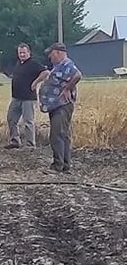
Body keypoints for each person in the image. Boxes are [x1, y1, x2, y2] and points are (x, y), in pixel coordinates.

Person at [33, 43, 82, 174]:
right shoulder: (58, 66)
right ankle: (65, 164)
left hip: (62, 105)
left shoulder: (67, 64)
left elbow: (77, 75)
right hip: (55, 105)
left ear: (59, 52)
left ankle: (58, 165)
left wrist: (67, 88)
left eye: (51, 53)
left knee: (57, 135)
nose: (50, 57)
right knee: (63, 134)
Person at [6, 43, 47, 149]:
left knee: (28, 121)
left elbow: (46, 72)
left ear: (29, 52)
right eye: (20, 53)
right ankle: (15, 141)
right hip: (16, 97)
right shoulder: (18, 64)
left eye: (24, 52)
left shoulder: (33, 64)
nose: (22, 55)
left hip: (28, 98)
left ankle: (30, 144)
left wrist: (36, 82)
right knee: (11, 118)